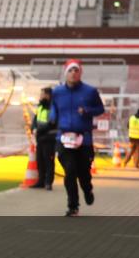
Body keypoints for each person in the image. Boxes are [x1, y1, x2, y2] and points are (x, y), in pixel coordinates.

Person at [50, 60, 105, 217]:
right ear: (66, 73)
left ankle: (87, 189)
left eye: (76, 70)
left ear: (80, 73)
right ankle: (73, 206)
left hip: (84, 139)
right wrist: (53, 116)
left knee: (84, 173)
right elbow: (53, 107)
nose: (73, 73)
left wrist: (87, 110)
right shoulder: (57, 92)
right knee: (70, 171)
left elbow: (100, 108)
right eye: (70, 70)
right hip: (64, 137)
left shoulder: (90, 91)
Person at [30, 87, 57, 190]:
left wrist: (40, 130)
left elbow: (52, 123)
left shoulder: (53, 107)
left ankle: (48, 182)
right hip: (40, 138)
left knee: (48, 161)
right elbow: (35, 119)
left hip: (49, 138)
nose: (40, 96)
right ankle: (41, 181)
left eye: (42, 94)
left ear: (47, 95)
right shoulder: (40, 106)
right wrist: (33, 128)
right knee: (40, 160)